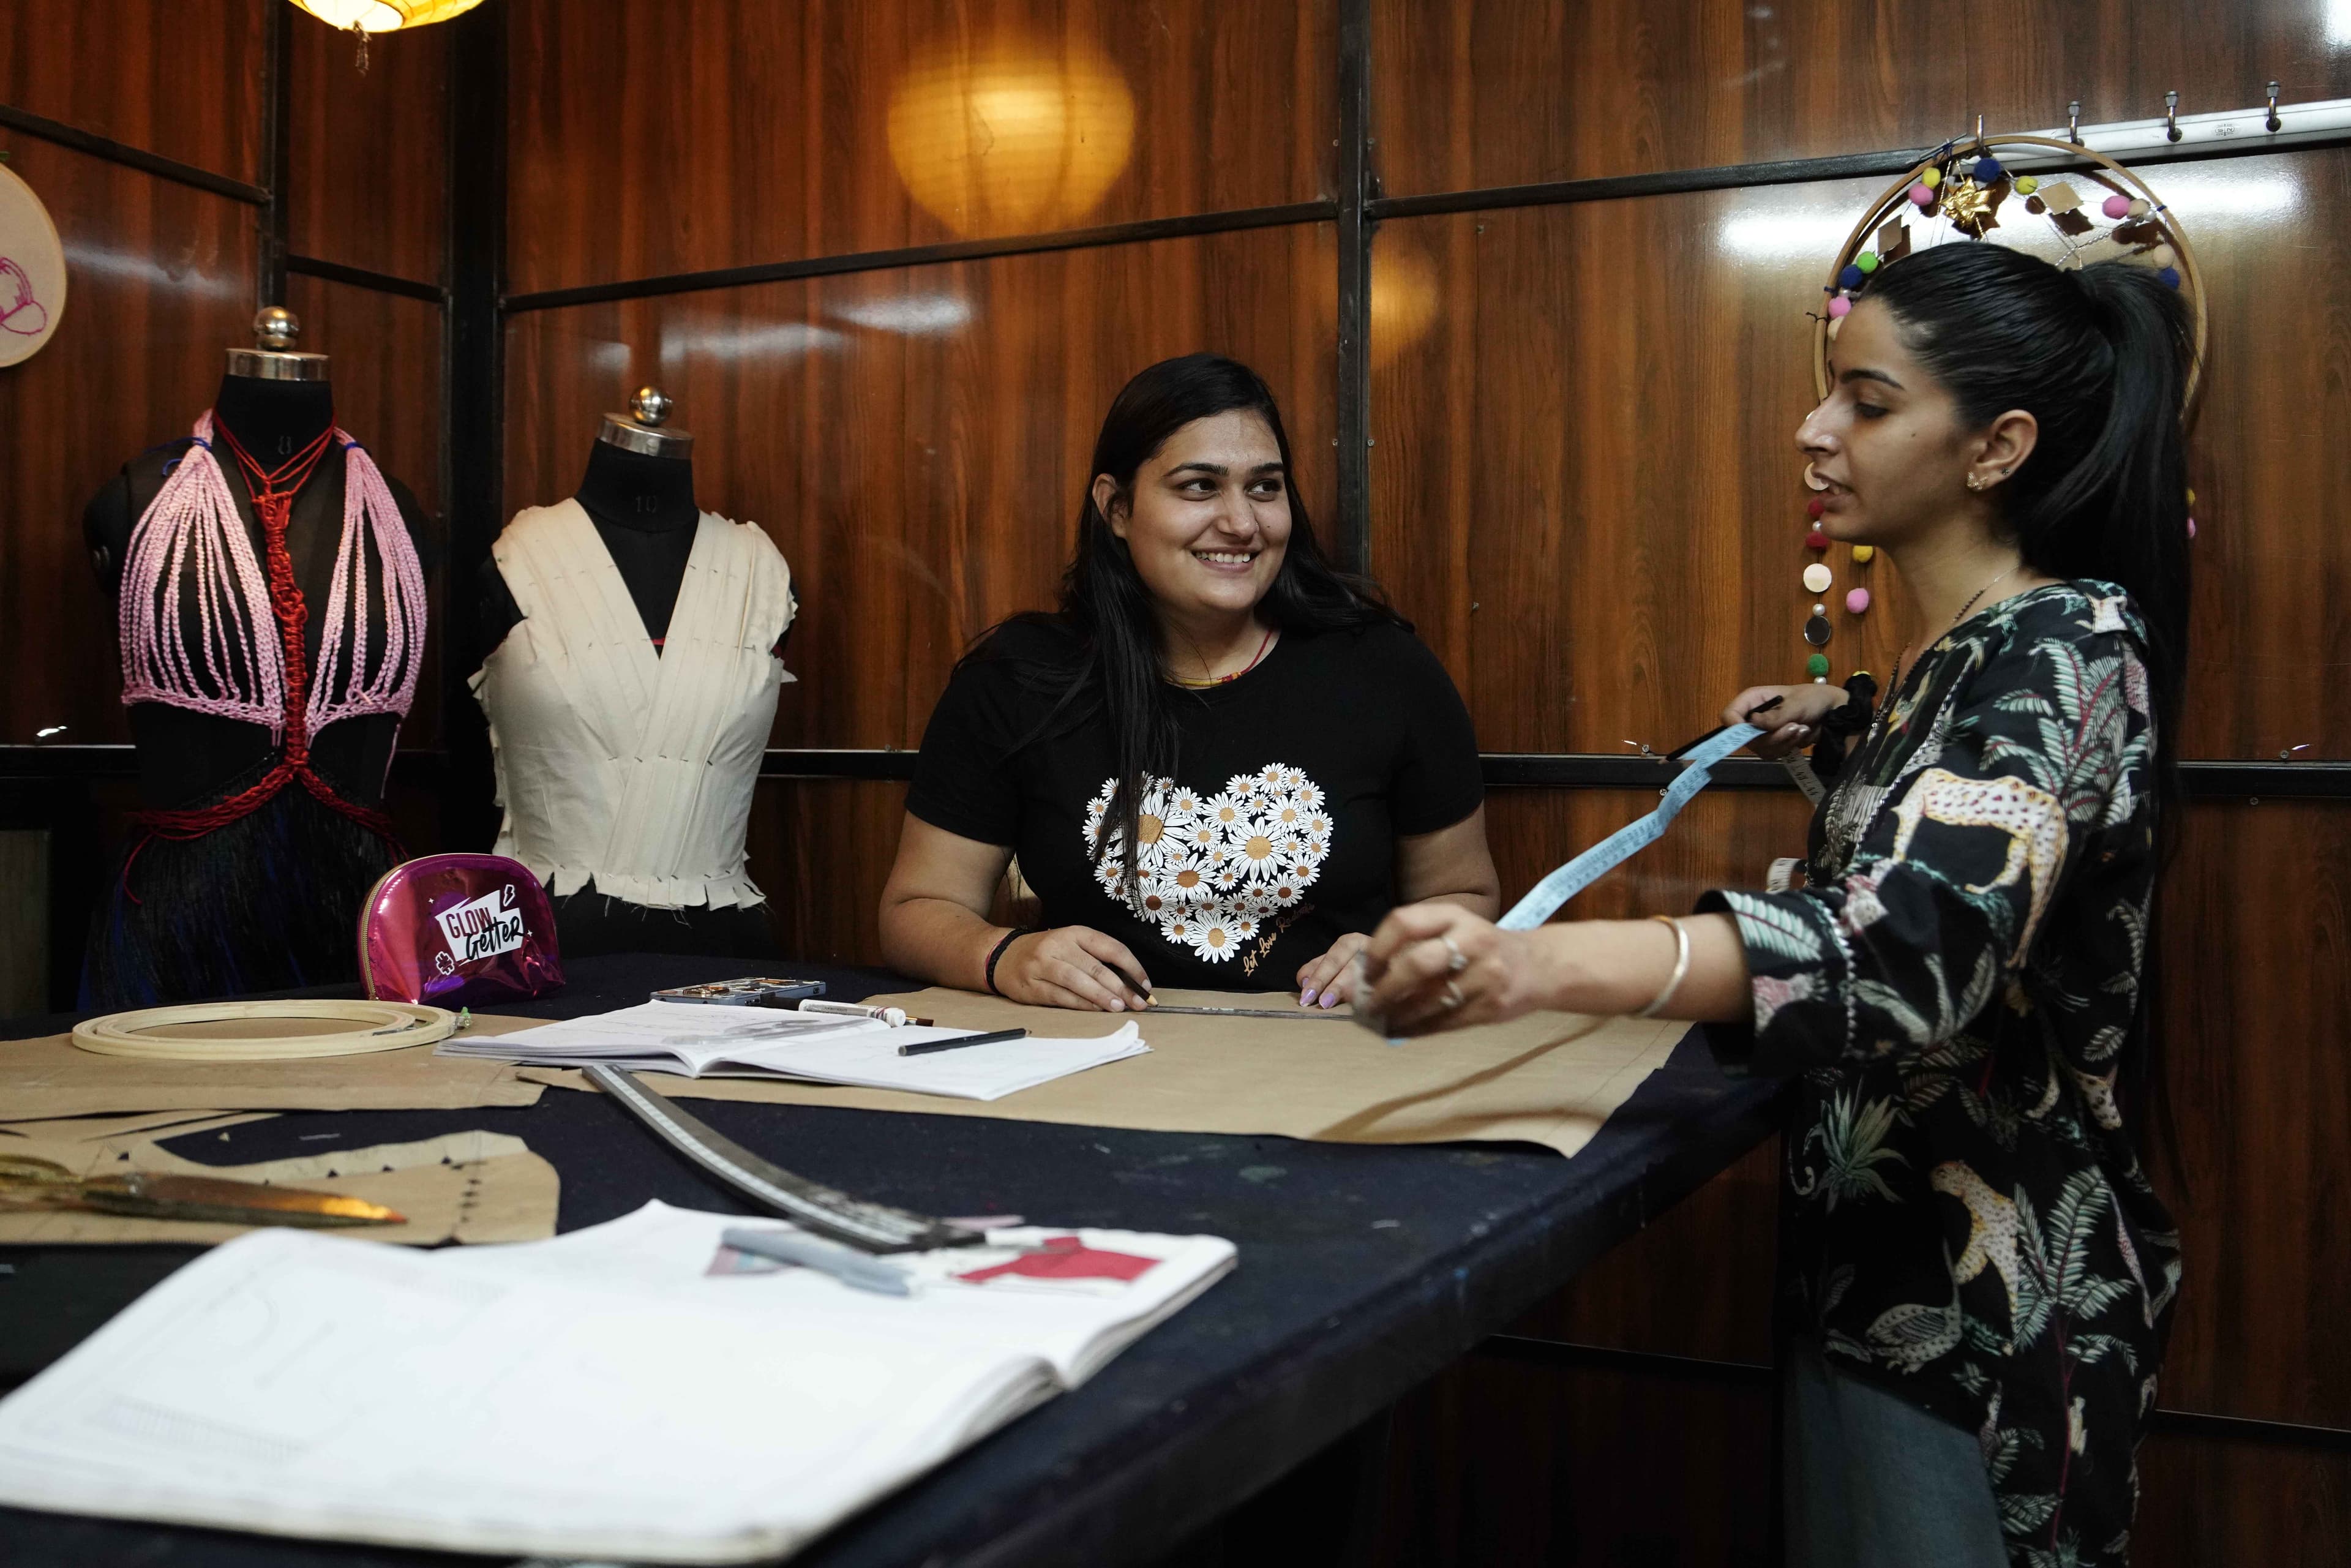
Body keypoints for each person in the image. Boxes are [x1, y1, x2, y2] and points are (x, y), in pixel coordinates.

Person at [1356, 243, 2189, 1567]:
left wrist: (1537, 965)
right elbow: (1952, 821)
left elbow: (1920, 943)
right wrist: (1844, 730)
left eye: (1867, 400)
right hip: (1869, 1263)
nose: (1815, 428)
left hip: (1984, 1310)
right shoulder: (1950, 656)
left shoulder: (2070, 644)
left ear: (1997, 446)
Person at [880, 353, 1498, 1009]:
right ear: (1116, 507)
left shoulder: (1384, 669)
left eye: (1265, 487)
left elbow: (1466, 894)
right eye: (1200, 486)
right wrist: (1001, 955)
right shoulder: (1018, 677)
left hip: (1333, 1061)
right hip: (1095, 1063)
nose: (1242, 522)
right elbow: (919, 906)